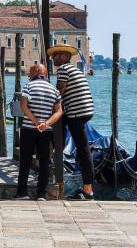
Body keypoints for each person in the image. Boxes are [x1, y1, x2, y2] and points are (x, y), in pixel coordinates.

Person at [50, 43, 95, 200]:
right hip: (85, 111)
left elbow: (59, 93)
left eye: (55, 55)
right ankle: (56, 150)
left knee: (83, 150)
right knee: (81, 148)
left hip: (77, 112)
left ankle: (88, 190)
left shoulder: (63, 69)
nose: (52, 57)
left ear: (63, 56)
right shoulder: (75, 69)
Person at [16, 63, 62, 200]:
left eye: (30, 72)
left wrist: (36, 122)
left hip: (29, 128)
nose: (28, 75)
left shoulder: (28, 86)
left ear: (36, 73)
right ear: (45, 75)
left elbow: (23, 106)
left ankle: (22, 193)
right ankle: (41, 194)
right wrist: (45, 123)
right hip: (46, 130)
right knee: (44, 161)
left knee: (25, 160)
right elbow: (59, 111)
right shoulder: (54, 90)